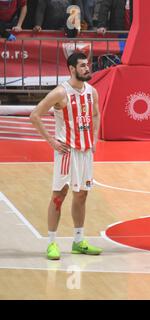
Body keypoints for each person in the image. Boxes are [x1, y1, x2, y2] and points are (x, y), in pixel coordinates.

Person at [30, 52, 102, 260]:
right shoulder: (60, 93)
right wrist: (52, 142)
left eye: (87, 65)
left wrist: (95, 139)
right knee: (58, 196)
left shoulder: (92, 91)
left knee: (81, 195)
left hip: (86, 151)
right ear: (72, 69)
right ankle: (51, 243)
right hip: (67, 152)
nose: (87, 68)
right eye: (82, 66)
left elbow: (96, 114)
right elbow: (35, 115)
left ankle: (78, 241)